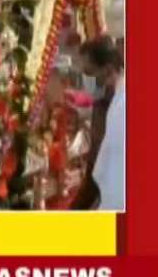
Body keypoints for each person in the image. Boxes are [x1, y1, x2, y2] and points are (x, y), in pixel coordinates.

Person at [72, 36, 121, 209]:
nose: (87, 79)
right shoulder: (104, 101)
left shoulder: (119, 108)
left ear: (107, 70)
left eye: (89, 73)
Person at [90, 43, 125, 210]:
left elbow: (113, 159)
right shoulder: (119, 96)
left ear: (108, 69)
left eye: (93, 72)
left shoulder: (121, 102)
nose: (95, 79)